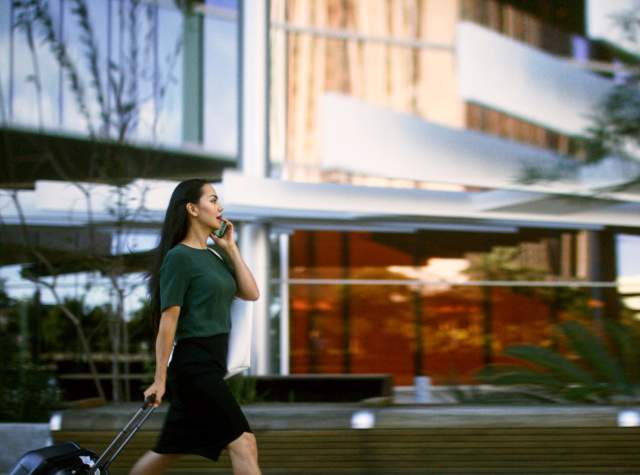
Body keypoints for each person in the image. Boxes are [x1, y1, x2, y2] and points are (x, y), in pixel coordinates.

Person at [129, 179, 262, 475]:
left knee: (168, 451)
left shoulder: (213, 256)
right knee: (243, 442)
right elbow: (168, 321)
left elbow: (252, 293)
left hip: (212, 364)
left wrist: (230, 247)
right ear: (192, 208)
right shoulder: (179, 257)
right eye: (213, 200)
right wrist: (159, 379)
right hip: (194, 366)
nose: (220, 207)